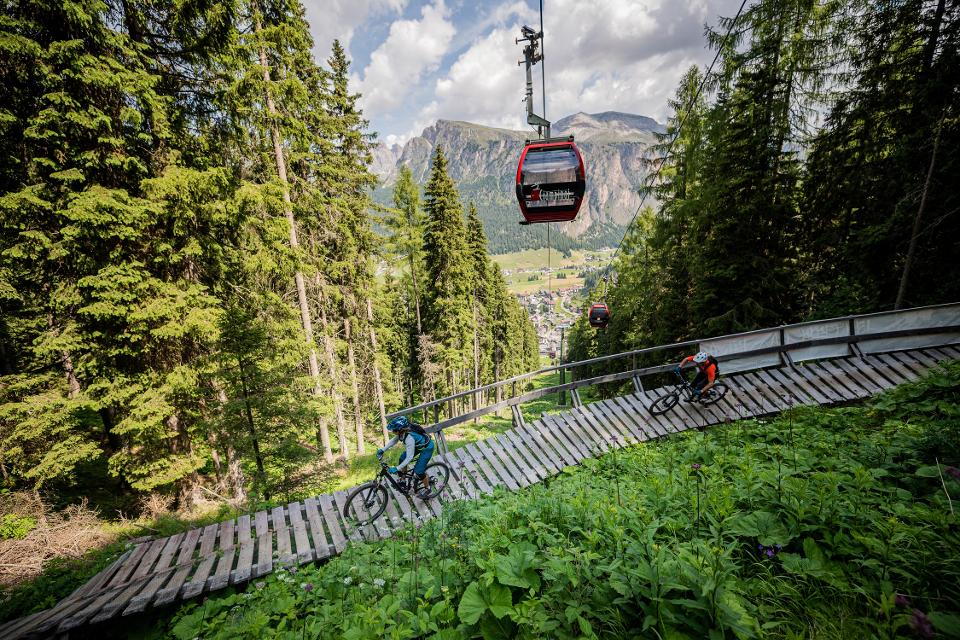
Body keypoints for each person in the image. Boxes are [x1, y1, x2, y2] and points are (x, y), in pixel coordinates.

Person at [376, 415, 435, 497]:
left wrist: (397, 468)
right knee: (402, 458)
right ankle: (403, 480)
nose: (392, 431)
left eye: (394, 430)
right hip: (418, 445)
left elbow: (409, 458)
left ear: (400, 430)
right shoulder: (402, 433)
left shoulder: (409, 438)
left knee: (419, 471)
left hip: (427, 448)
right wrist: (383, 450)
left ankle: (428, 488)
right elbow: (394, 440)